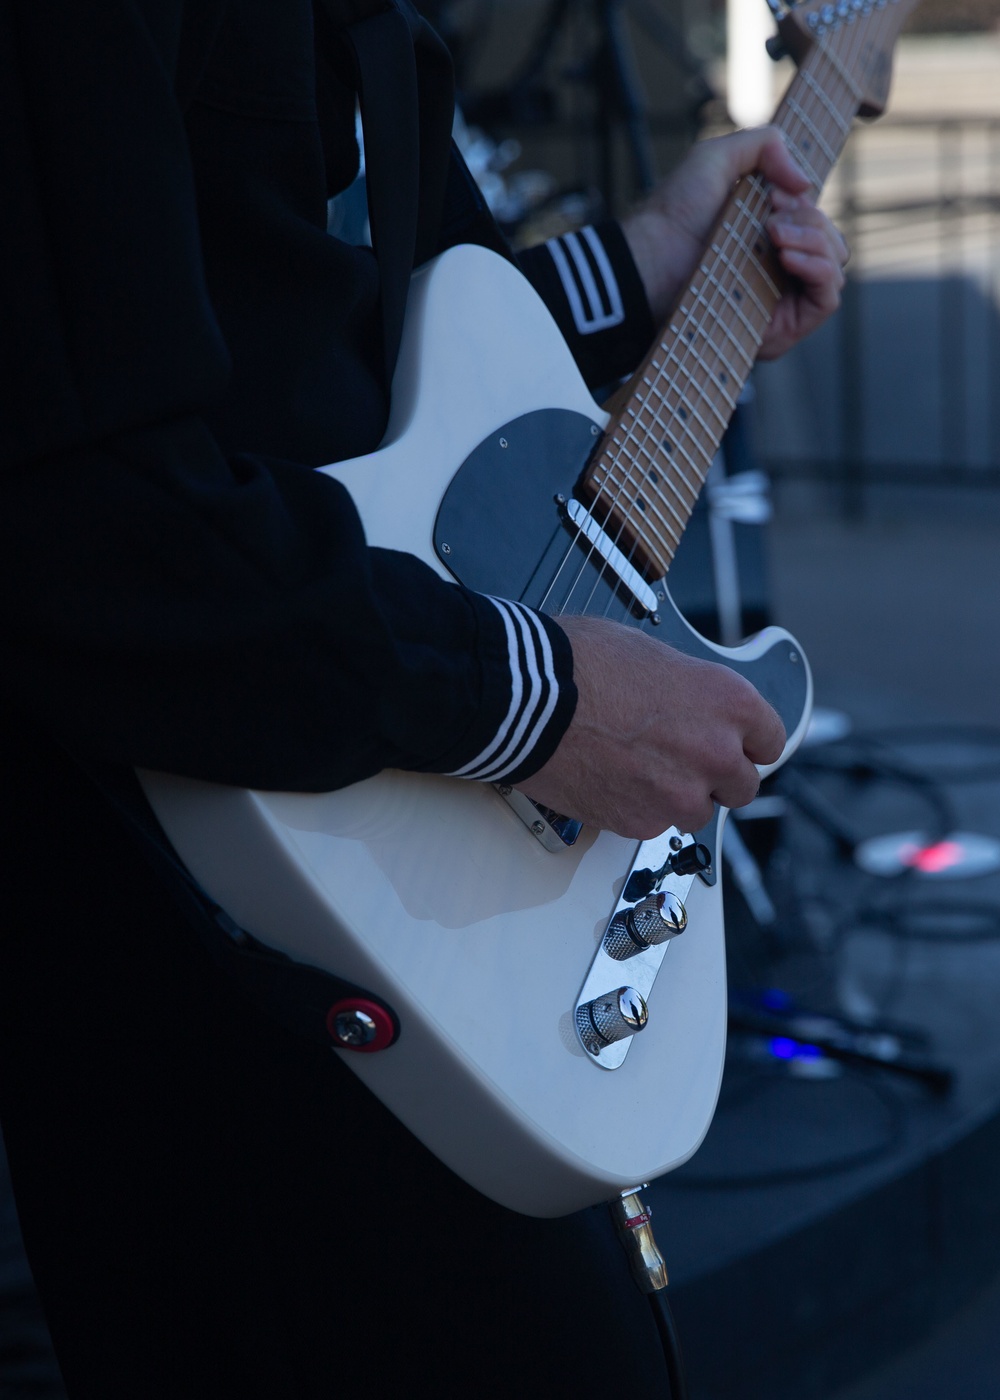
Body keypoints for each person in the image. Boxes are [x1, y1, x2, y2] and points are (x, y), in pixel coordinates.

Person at [0, 2, 847, 1396]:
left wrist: (639, 270)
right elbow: (84, 516)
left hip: (402, 787)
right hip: (183, 915)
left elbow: (380, 323)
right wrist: (546, 700)